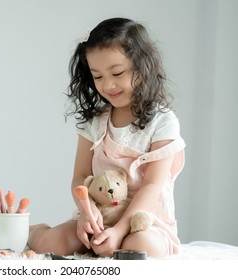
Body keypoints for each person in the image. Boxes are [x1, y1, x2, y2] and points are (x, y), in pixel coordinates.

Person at [27, 17, 185, 258]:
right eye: (98, 76)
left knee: (142, 249)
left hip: (144, 222)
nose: (108, 85)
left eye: (117, 73)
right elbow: (79, 176)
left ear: (142, 67)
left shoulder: (163, 121)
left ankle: (117, 243)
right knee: (53, 243)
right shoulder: (96, 122)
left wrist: (120, 231)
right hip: (99, 217)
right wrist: (86, 212)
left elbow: (152, 185)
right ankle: (34, 231)